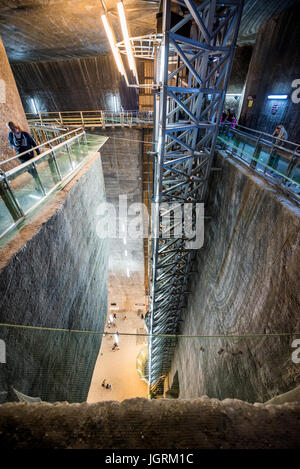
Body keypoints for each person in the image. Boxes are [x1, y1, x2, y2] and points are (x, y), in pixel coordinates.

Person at [7, 121, 41, 186]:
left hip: (29, 154)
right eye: (11, 129)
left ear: (17, 128)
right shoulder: (11, 134)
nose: (12, 130)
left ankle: (38, 183)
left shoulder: (25, 134)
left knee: (33, 170)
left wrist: (38, 151)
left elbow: (33, 142)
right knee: (28, 169)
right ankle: (37, 181)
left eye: (13, 128)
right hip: (21, 156)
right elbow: (11, 142)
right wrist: (13, 146)